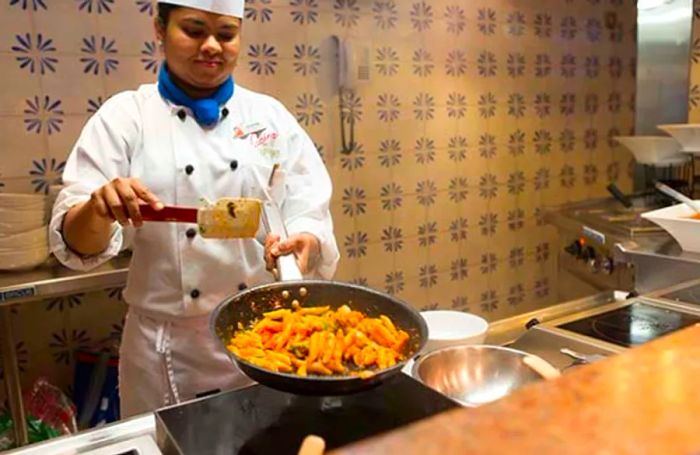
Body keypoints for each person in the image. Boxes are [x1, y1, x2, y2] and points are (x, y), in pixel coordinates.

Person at [49, 0, 339, 417]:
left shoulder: (269, 117)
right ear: (159, 29)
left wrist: (306, 238)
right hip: (165, 350)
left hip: (265, 339)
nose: (211, 46)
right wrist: (97, 209)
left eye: (225, 34)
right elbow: (77, 244)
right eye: (194, 29)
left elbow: (307, 206)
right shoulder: (127, 117)